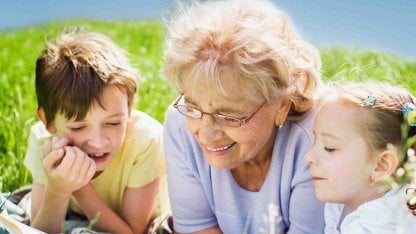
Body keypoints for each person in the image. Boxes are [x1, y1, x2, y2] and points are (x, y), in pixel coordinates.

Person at [162, 0, 325, 233]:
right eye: (192, 106)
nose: (206, 134)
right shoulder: (179, 123)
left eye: (229, 116)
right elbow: (195, 228)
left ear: (282, 106)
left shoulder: (318, 141)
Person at [24, 28, 168, 234]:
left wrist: (79, 187)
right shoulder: (43, 141)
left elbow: (132, 232)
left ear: (129, 109)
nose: (98, 142)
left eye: (113, 123)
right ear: (49, 122)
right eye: (78, 127)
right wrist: (57, 190)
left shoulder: (146, 140)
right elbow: (39, 231)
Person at [305, 82, 416, 233]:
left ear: (381, 165)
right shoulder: (340, 204)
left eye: (329, 147)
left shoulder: (377, 225)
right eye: (315, 141)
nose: (309, 157)